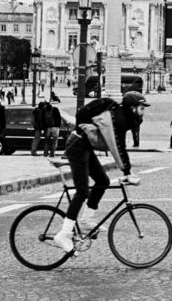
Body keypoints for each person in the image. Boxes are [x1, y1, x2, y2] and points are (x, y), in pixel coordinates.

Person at [53, 91, 149, 253]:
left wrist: (127, 171)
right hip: (77, 146)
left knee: (103, 181)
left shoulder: (122, 118)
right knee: (82, 191)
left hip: (85, 146)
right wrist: (127, 172)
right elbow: (117, 146)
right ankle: (63, 234)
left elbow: (119, 146)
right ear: (132, 108)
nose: (143, 111)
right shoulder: (116, 118)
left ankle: (86, 219)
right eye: (141, 108)